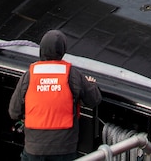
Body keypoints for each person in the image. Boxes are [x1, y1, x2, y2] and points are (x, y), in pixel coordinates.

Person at [9, 29, 101, 161]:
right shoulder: (72, 75)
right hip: (64, 150)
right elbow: (94, 100)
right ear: (62, 51)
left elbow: (14, 112)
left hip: (34, 150)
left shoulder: (29, 76)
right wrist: (92, 85)